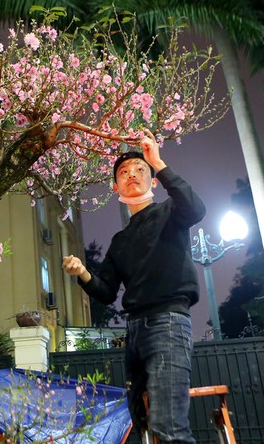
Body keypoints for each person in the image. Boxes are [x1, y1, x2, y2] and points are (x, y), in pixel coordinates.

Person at [62, 131, 205, 443]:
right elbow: (106, 292)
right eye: (124, 173)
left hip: (168, 323)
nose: (132, 175)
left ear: (153, 181)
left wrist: (157, 161)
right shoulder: (120, 241)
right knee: (140, 422)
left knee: (169, 427)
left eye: (141, 170)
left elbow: (196, 209)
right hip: (135, 331)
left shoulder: (171, 212)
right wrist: (83, 272)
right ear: (116, 187)